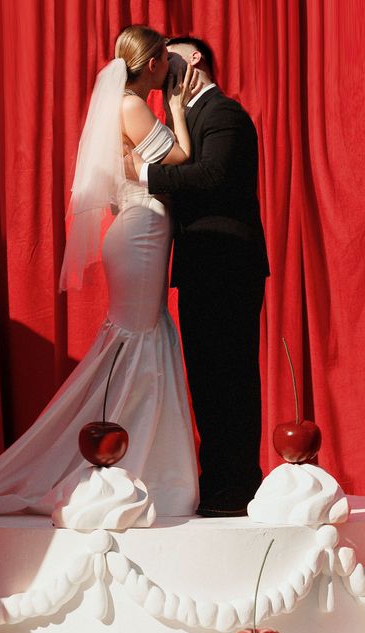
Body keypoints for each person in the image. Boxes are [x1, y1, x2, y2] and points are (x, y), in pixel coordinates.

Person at [0, 25, 201, 541]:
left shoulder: (121, 106)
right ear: (156, 63)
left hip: (136, 230)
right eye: (168, 64)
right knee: (139, 342)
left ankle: (142, 463)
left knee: (141, 341)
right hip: (141, 233)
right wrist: (178, 109)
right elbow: (180, 161)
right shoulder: (133, 107)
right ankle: (132, 465)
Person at [127, 36, 269, 518]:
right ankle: (221, 486)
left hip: (228, 267)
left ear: (193, 62)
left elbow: (211, 178)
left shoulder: (224, 113)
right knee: (208, 379)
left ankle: (237, 488)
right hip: (205, 267)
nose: (161, 63)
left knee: (230, 377)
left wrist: (140, 175)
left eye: (170, 56)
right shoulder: (184, 118)